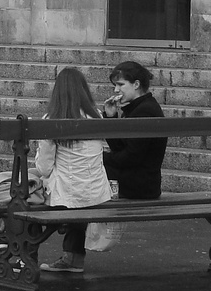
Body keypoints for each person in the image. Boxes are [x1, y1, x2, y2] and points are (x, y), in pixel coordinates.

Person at [32, 67, 111, 274]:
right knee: (80, 197)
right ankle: (73, 258)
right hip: (96, 193)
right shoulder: (97, 117)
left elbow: (44, 168)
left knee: (27, 194)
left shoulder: (52, 119)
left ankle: (24, 258)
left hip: (67, 195)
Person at [101, 60, 166, 200]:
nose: (116, 90)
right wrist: (111, 117)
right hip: (138, 182)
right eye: (115, 85)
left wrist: (100, 156)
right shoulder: (137, 108)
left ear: (136, 84)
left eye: (120, 84)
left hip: (140, 186)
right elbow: (120, 148)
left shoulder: (145, 110)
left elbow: (131, 156)